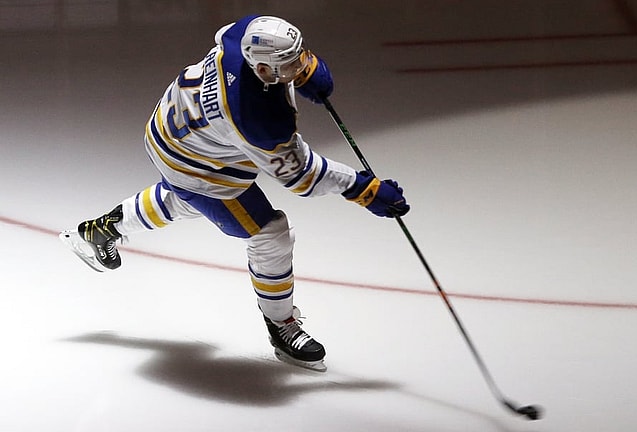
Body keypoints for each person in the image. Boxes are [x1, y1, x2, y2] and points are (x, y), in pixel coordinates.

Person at [59, 15, 410, 372]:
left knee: (186, 200)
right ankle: (280, 324)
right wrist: (362, 188)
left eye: (297, 58)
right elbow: (302, 176)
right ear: (261, 68)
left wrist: (304, 68)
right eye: (288, 66)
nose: (297, 67)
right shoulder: (256, 118)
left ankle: (104, 229)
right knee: (270, 233)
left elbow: (235, 35)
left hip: (172, 128)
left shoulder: (247, 32)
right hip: (199, 164)